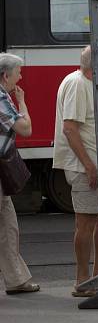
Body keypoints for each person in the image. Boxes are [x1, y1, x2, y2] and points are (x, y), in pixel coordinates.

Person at [53, 46, 98, 297]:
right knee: (86, 221)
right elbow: (70, 129)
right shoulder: (78, 84)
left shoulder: (86, 83)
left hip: (97, 165)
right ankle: (82, 280)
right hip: (84, 167)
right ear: (97, 67)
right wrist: (89, 165)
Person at [0, 54, 39, 295]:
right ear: (6, 76)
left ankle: (16, 280)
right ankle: (16, 279)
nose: (21, 77)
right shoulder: (1, 98)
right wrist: (22, 102)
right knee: (6, 226)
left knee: (8, 226)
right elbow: (26, 129)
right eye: (18, 73)